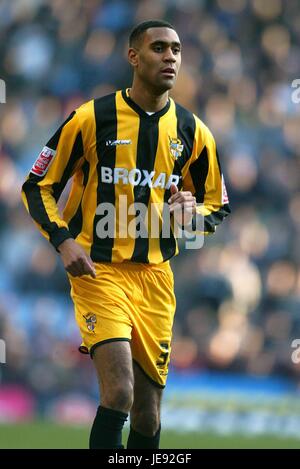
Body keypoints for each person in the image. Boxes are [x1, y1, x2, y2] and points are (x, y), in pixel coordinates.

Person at [21, 19, 230, 449]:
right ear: (133, 57)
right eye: (158, 48)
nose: (170, 56)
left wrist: (194, 213)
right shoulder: (90, 118)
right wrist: (62, 241)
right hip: (99, 272)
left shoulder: (194, 132)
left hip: (155, 279)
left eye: (176, 49)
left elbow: (216, 206)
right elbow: (37, 184)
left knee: (149, 418)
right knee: (119, 393)